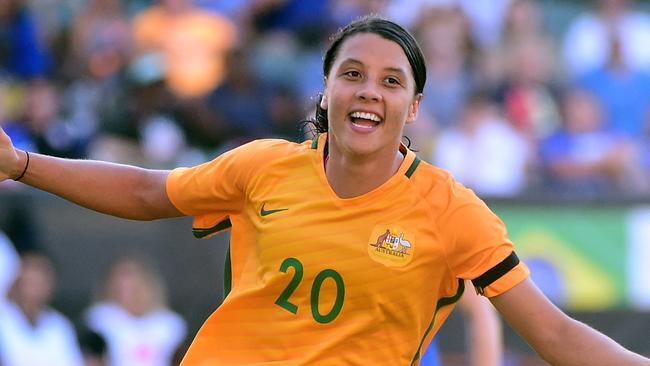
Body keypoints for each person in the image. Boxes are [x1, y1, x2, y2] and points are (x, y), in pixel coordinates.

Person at [0, 16, 648, 365]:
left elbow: (557, 338)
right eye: (353, 74)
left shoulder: (452, 211)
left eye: (391, 82)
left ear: (414, 107)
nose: (370, 89)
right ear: (328, 90)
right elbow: (147, 193)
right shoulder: (265, 167)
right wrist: (20, 163)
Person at [84, 256, 186, 366]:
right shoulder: (101, 319)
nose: (127, 297)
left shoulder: (169, 324)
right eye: (120, 289)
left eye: (133, 289)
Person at [0, 251, 84, 366]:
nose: (35, 287)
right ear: (16, 281)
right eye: (30, 281)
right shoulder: (3, 320)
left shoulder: (60, 325)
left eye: (41, 281)